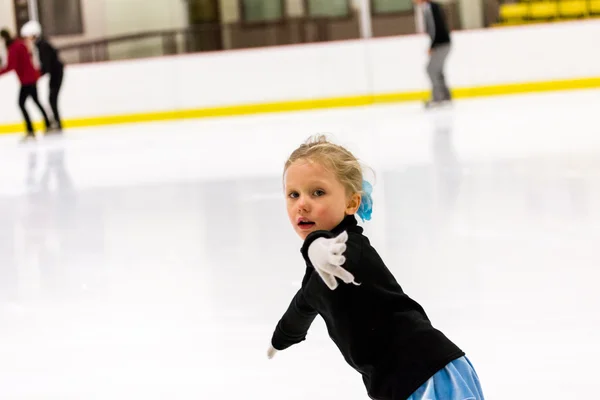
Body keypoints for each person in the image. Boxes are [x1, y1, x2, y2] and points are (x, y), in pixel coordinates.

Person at [267, 135, 484, 400]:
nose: (302, 203)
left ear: (351, 203)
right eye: (293, 194)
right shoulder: (319, 273)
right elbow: (302, 305)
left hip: (427, 374)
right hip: (401, 383)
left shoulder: (352, 250)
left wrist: (314, 244)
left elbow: (333, 254)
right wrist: (280, 339)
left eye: (318, 192)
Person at [0, 28, 51, 140]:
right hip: (31, 78)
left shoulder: (14, 48)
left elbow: (11, 65)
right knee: (36, 101)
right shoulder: (19, 44)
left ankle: (31, 130)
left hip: (27, 80)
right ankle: (47, 124)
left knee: (21, 103)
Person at [21, 20, 64, 133]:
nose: (26, 39)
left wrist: (37, 75)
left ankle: (57, 123)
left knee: (52, 98)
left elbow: (47, 65)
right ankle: (56, 122)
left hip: (56, 73)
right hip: (55, 73)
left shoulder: (42, 45)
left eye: (27, 37)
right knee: (51, 98)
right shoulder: (40, 44)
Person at [414, 0, 452, 108]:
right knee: (437, 70)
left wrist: (433, 45)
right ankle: (445, 96)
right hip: (442, 42)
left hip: (441, 43)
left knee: (431, 69)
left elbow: (435, 27)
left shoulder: (430, 8)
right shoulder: (430, 7)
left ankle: (438, 98)